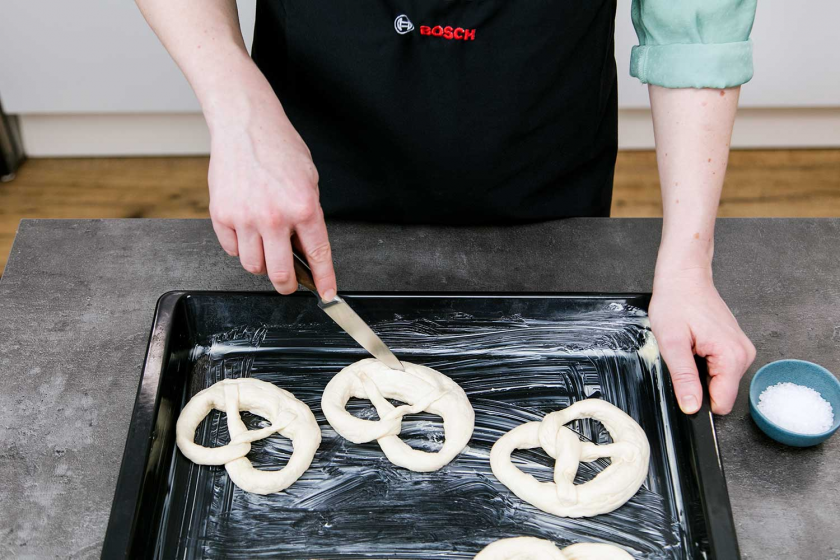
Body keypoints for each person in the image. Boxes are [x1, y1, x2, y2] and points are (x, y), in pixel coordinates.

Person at [137, 0, 757, 416]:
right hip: (307, 150)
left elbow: (696, 21)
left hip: (541, 153)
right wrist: (233, 101)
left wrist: (687, 267)